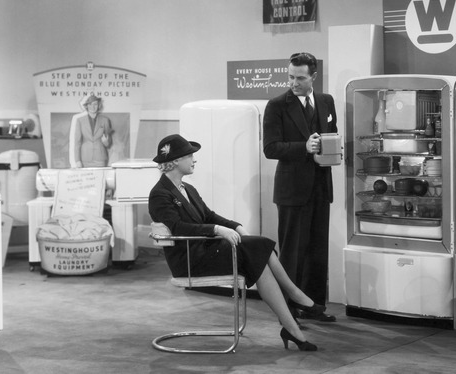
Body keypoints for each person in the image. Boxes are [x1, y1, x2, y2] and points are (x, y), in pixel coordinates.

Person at [148, 134, 323, 351]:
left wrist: (235, 225)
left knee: (258, 254)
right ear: (174, 161)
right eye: (190, 156)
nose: (194, 160)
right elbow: (177, 228)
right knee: (258, 248)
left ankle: (292, 326)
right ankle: (295, 298)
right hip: (190, 259)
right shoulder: (159, 194)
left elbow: (209, 215)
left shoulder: (188, 189)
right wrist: (217, 230)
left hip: (205, 251)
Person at [262, 52, 338, 322]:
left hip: (320, 186)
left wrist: (334, 149)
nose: (294, 82)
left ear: (313, 77)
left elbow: (331, 134)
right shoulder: (276, 105)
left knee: (318, 250)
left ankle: (315, 306)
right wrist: (303, 147)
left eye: (300, 78)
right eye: (291, 77)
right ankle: (289, 310)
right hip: (292, 189)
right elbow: (270, 148)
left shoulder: (327, 101)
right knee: (292, 252)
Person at [73, 94, 112, 167]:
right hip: (85, 158)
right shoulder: (80, 121)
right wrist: (77, 160)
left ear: (99, 105)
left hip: (100, 159)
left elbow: (108, 143)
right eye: (90, 104)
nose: (93, 107)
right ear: (86, 106)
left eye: (95, 104)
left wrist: (106, 142)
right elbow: (77, 142)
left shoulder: (105, 120)